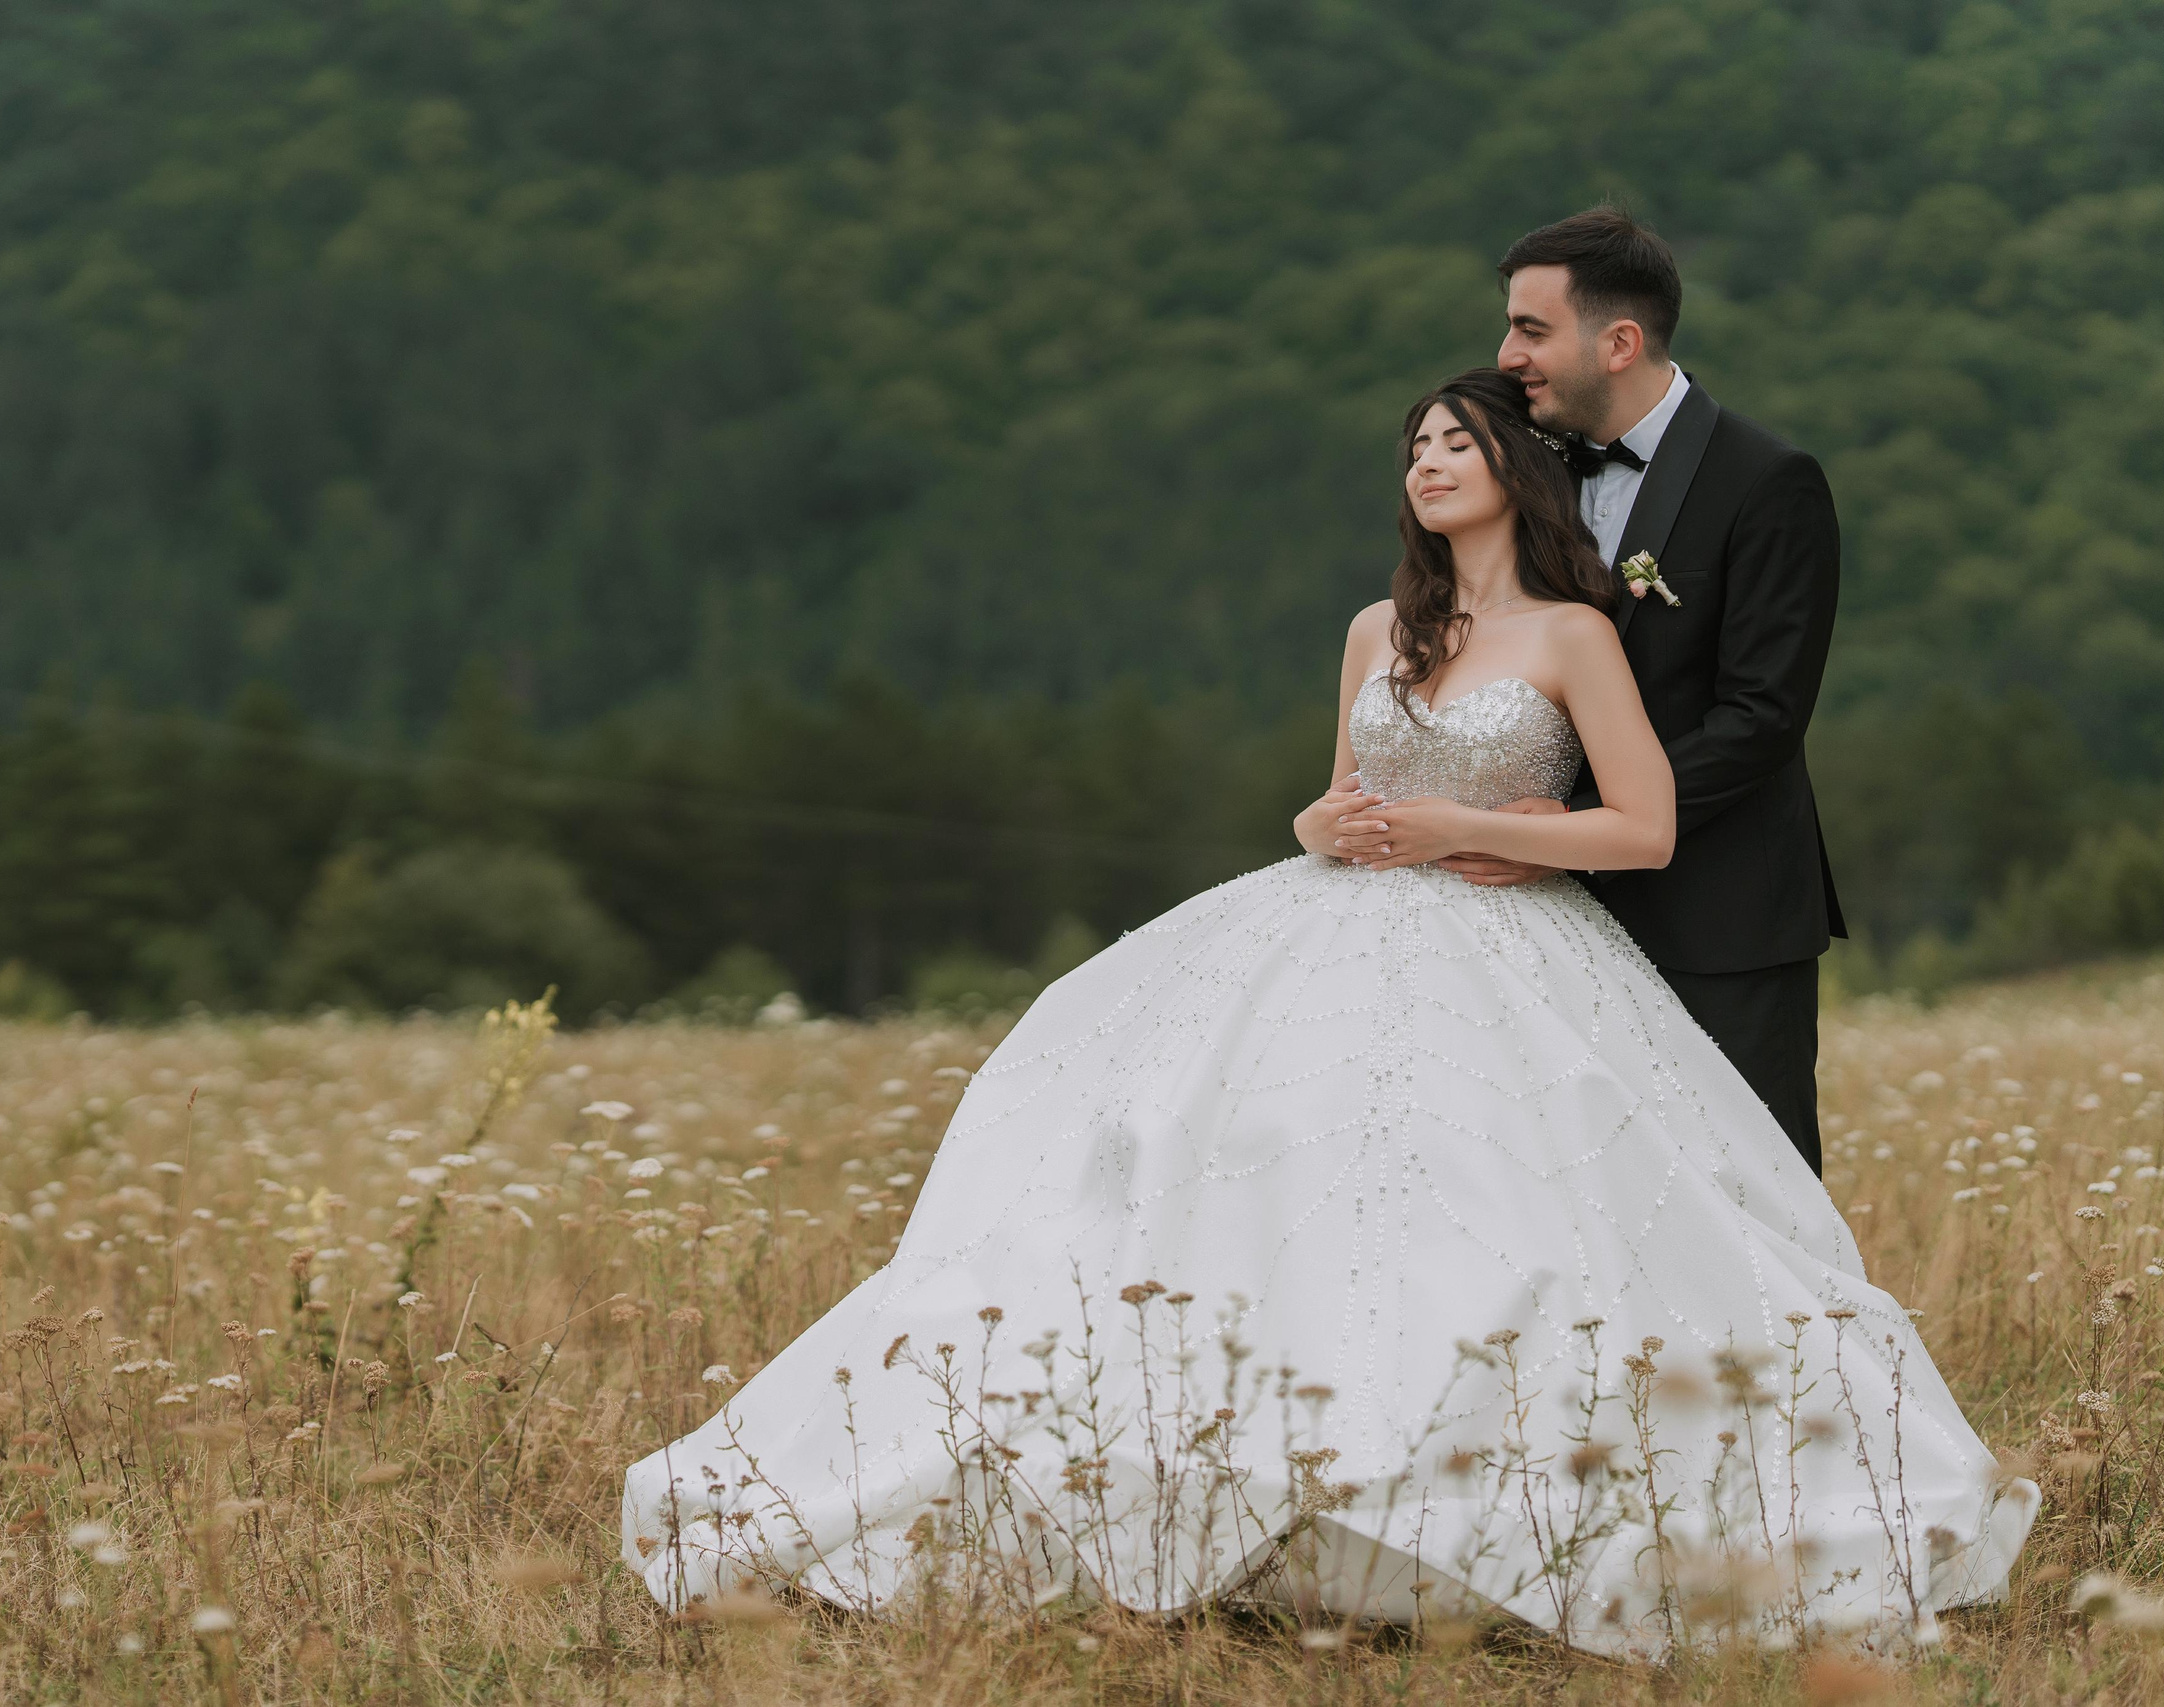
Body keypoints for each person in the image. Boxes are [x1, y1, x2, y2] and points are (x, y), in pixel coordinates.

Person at [620, 369, 2032, 1657]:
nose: (1427, 461)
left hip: (1504, 947)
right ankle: (1261, 1486)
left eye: (1459, 441)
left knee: (1490, 1211)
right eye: (1416, 443)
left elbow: (1646, 825)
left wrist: (1488, 830)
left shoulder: (1575, 632)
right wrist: (1333, 818)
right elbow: (1327, 797)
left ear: (1516, 473)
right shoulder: (1378, 624)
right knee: (1248, 1185)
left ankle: (1464, 1513)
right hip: (1327, 933)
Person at [1329, 207, 1843, 1173]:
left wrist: (1562, 824)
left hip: (1714, 909)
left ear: (1618, 342)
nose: (1508, 351)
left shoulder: (1768, 481)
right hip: (1522, 927)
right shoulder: (1528, 459)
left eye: (1531, 329)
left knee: (1745, 1184)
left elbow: (1762, 715)